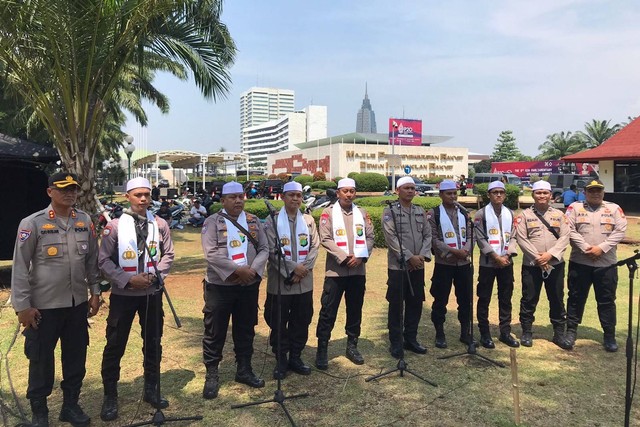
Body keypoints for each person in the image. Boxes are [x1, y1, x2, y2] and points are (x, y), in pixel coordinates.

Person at [11, 172, 100, 427]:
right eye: (63, 189)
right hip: (43, 308)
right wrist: (23, 307)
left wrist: (95, 292)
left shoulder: (84, 221)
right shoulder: (32, 223)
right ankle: (40, 414)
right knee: (40, 360)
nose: (70, 192)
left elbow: (92, 261)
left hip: (76, 306)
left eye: (73, 188)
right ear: (50, 192)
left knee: (75, 358)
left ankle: (70, 406)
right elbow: (19, 268)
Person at [98, 177, 175, 422]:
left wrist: (155, 276)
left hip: (151, 294)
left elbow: (168, 253)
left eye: (146, 194)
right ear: (127, 197)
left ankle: (151, 388)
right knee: (115, 344)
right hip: (123, 295)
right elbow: (103, 260)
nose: (143, 199)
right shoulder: (116, 226)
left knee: (153, 342)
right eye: (137, 195)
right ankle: (110, 394)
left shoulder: (159, 223)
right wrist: (127, 279)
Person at [201, 182, 269, 399]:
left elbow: (265, 248)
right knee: (215, 331)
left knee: (246, 328)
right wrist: (237, 270)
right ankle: (212, 374)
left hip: (248, 286)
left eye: (241, 196)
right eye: (232, 197)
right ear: (222, 201)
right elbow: (211, 253)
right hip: (220, 286)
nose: (238, 200)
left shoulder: (253, 221)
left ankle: (244, 369)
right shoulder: (212, 222)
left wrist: (253, 270)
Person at [315, 178, 375, 369]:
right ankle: (322, 349)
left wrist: (360, 256)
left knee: (355, 309)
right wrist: (344, 257)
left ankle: (352, 345)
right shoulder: (328, 213)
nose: (349, 194)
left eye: (352, 191)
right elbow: (325, 238)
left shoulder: (362, 213)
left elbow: (370, 236)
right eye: (345, 191)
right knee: (328, 311)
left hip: (358, 270)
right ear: (338, 193)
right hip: (336, 272)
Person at [263, 181, 320, 379]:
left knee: (302, 320)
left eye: (298, 195)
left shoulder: (308, 220)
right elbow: (271, 250)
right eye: (291, 195)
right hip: (280, 283)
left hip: (304, 282)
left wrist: (303, 270)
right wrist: (292, 268)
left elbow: (315, 247)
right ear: (283, 197)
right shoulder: (273, 220)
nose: (295, 199)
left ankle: (296, 356)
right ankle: (281, 358)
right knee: (277, 321)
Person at [565, 179, 627, 351]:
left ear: (603, 192)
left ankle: (609, 335)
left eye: (598, 190)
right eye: (591, 190)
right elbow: (568, 229)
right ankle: (571, 331)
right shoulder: (575, 208)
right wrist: (586, 248)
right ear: (585, 192)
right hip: (580, 261)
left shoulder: (614, 208)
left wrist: (602, 248)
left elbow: (620, 230)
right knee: (576, 297)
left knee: (606, 300)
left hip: (606, 264)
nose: (595, 193)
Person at [514, 180, 571, 349]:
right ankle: (526, 331)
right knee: (529, 298)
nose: (542, 196)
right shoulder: (524, 215)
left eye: (545, 193)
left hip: (555, 264)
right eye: (538, 193)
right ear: (533, 195)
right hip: (532, 265)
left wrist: (550, 255)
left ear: (550, 195)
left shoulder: (560, 215)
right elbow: (521, 239)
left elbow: (565, 237)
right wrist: (538, 258)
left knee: (557, 298)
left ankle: (559, 333)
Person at [381, 176, 432, 359]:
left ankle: (411, 339)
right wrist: (409, 257)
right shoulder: (390, 211)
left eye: (413, 188)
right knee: (396, 305)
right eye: (406, 188)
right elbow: (391, 238)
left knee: (415, 303)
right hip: (398, 267)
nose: (410, 191)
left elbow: (428, 235)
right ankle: (396, 343)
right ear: (397, 190)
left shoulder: (419, 211)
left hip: (418, 266)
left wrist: (422, 256)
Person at [428, 180, 474, 349]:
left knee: (465, 299)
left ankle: (465, 332)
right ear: (441, 195)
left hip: (463, 264)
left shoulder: (464, 213)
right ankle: (439, 332)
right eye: (449, 193)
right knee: (440, 299)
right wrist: (453, 252)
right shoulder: (434, 214)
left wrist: (466, 250)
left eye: (455, 193)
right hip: (444, 263)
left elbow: (471, 234)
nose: (453, 196)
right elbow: (433, 238)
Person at [473, 181, 520, 349]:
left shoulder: (511, 213)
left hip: (506, 262)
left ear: (505, 195)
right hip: (488, 263)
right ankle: (484, 333)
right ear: (489, 195)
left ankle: (505, 332)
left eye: (501, 192)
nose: (498, 195)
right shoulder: (481, 214)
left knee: (505, 297)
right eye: (494, 192)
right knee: (484, 297)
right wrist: (494, 256)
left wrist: (507, 254)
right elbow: (479, 238)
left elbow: (514, 236)